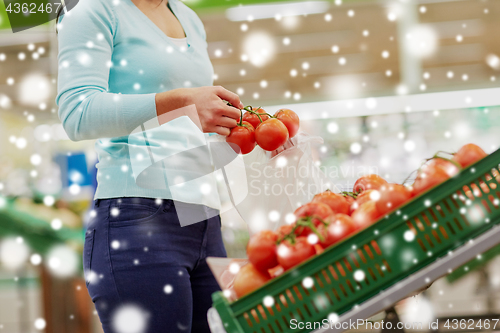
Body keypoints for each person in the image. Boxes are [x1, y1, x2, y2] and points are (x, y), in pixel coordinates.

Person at [56, 0, 243, 331]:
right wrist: (183, 102)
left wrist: (247, 130)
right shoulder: (93, 11)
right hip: (137, 216)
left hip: (204, 218)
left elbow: (182, 123)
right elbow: (78, 114)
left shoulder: (189, 17)